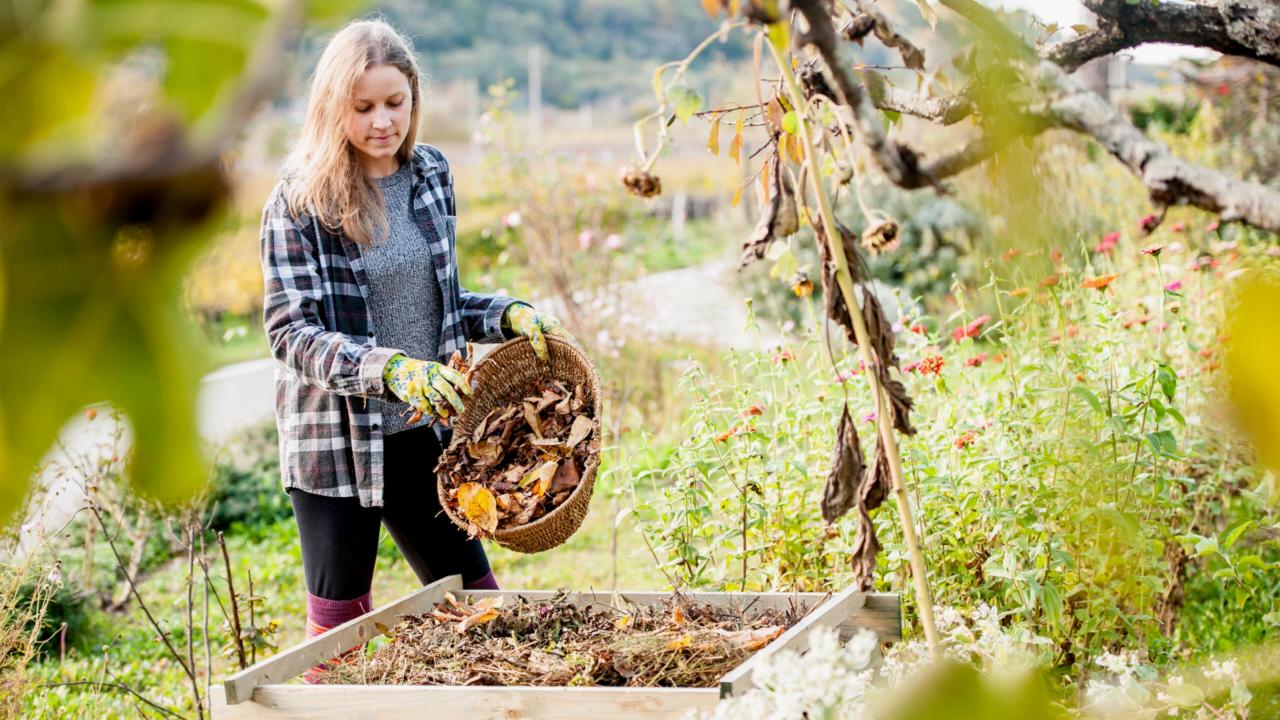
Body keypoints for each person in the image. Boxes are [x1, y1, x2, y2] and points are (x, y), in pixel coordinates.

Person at [258, 18, 575, 678]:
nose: (383, 122)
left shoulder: (430, 174)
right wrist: (391, 370)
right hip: (337, 447)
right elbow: (291, 332)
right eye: (363, 106)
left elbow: (438, 304)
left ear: (414, 98)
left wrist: (504, 312)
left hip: (421, 437)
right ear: (331, 106)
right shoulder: (299, 201)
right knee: (338, 637)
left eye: (395, 103)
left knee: (478, 606)